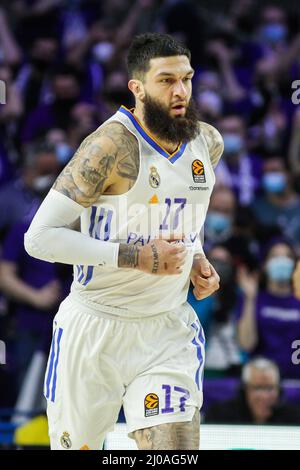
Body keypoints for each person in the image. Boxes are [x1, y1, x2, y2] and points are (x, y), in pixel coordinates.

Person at [24, 33, 223, 450]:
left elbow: (187, 215)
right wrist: (138, 257)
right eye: (166, 80)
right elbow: (39, 239)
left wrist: (197, 258)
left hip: (166, 329)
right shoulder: (109, 146)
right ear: (137, 87)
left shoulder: (207, 141)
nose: (181, 91)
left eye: (186, 78)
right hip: (96, 326)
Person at [237, 239, 300, 379]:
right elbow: (246, 344)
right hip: (262, 381)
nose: (282, 261)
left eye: (287, 256)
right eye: (275, 256)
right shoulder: (253, 299)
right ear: (265, 265)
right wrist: (249, 299)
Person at [205, 357, 300, 424]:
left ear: (279, 390)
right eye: (257, 388)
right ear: (244, 390)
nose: (264, 396)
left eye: (270, 388)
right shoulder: (219, 416)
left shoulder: (295, 418)